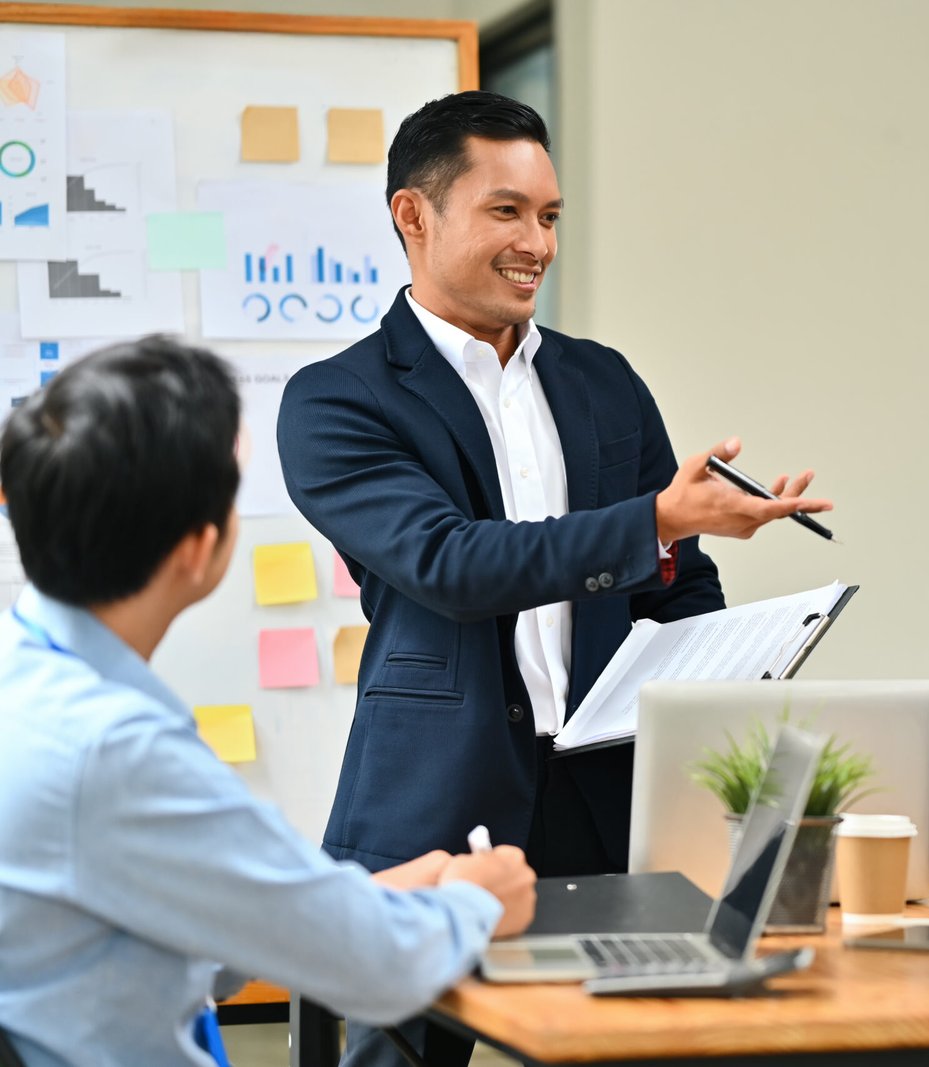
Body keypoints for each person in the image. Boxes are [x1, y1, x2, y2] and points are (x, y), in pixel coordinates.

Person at [277, 90, 829, 1064]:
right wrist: (657, 517)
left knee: (644, 1046)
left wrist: (730, 656)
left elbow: (673, 587)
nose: (537, 241)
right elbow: (449, 562)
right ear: (415, 214)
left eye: (550, 216)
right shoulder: (337, 399)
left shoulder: (603, 380)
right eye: (506, 211)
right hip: (431, 800)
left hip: (604, 796)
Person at [0, 338, 537, 1067]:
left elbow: (199, 933)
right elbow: (368, 970)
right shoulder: (118, 748)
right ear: (201, 547)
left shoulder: (37, 689)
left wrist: (351, 898)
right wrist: (479, 901)